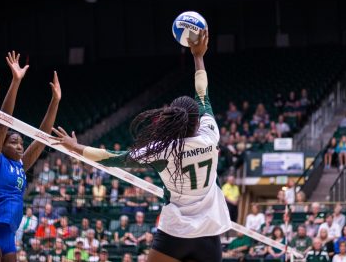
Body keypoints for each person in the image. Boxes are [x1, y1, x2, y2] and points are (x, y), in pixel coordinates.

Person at [53, 31, 232, 262]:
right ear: (197, 121)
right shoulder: (209, 134)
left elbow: (113, 158)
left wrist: (75, 147)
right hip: (209, 233)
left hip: (175, 233)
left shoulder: (162, 149)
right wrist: (198, 56)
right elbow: (202, 94)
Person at [0, 51, 61, 262]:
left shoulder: (21, 166)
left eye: (21, 143)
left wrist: (55, 101)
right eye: (14, 142)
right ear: (2, 144)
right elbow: (3, 121)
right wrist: (15, 81)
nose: (20, 146)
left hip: (9, 235)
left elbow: (42, 138)